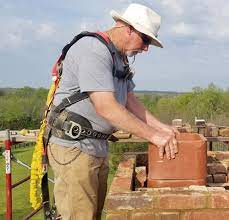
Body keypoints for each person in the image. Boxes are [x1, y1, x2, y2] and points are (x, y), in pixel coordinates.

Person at [47, 3, 178, 220]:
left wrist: (163, 128)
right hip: (74, 147)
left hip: (95, 146)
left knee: (92, 214)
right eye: (145, 40)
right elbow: (106, 106)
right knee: (79, 215)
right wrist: (154, 136)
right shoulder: (93, 49)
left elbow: (129, 100)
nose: (145, 48)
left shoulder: (119, 57)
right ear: (128, 29)